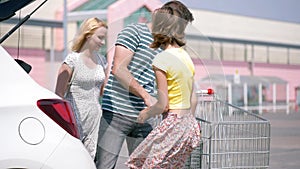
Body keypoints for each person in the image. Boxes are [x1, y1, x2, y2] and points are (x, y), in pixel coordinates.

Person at [95, 1, 195, 168]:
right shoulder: (134, 32)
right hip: (117, 114)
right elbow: (119, 69)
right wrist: (147, 97)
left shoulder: (168, 47)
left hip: (147, 119)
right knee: (105, 166)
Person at [125, 4, 201, 168]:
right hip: (188, 124)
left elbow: (162, 105)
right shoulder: (185, 56)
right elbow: (192, 100)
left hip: (173, 123)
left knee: (137, 164)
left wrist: (146, 113)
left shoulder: (161, 60)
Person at [55, 17, 108, 159]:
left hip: (95, 118)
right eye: (100, 38)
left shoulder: (102, 61)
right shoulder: (72, 60)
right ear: (88, 35)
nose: (103, 43)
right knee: (72, 158)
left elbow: (103, 91)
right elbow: (58, 94)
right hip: (74, 118)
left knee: (90, 160)